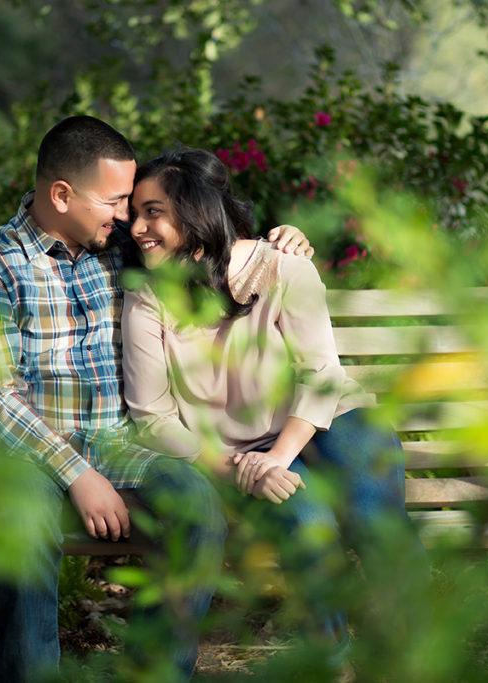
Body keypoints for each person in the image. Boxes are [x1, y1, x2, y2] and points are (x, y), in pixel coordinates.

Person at [0, 116, 313, 682]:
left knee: (195, 502)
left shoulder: (122, 245)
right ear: (61, 194)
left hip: (117, 443)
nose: (127, 214)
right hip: (15, 453)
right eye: (115, 199)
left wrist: (279, 239)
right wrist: (77, 474)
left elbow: (204, 239)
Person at [121, 147, 430, 667]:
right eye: (133, 213)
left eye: (153, 211)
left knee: (374, 517)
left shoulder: (285, 269)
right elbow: (152, 416)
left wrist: (279, 458)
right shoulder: (146, 295)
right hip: (238, 451)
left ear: (197, 210)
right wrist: (241, 468)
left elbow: (322, 377)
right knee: (307, 527)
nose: (136, 227)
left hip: (327, 421)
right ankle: (336, 669)